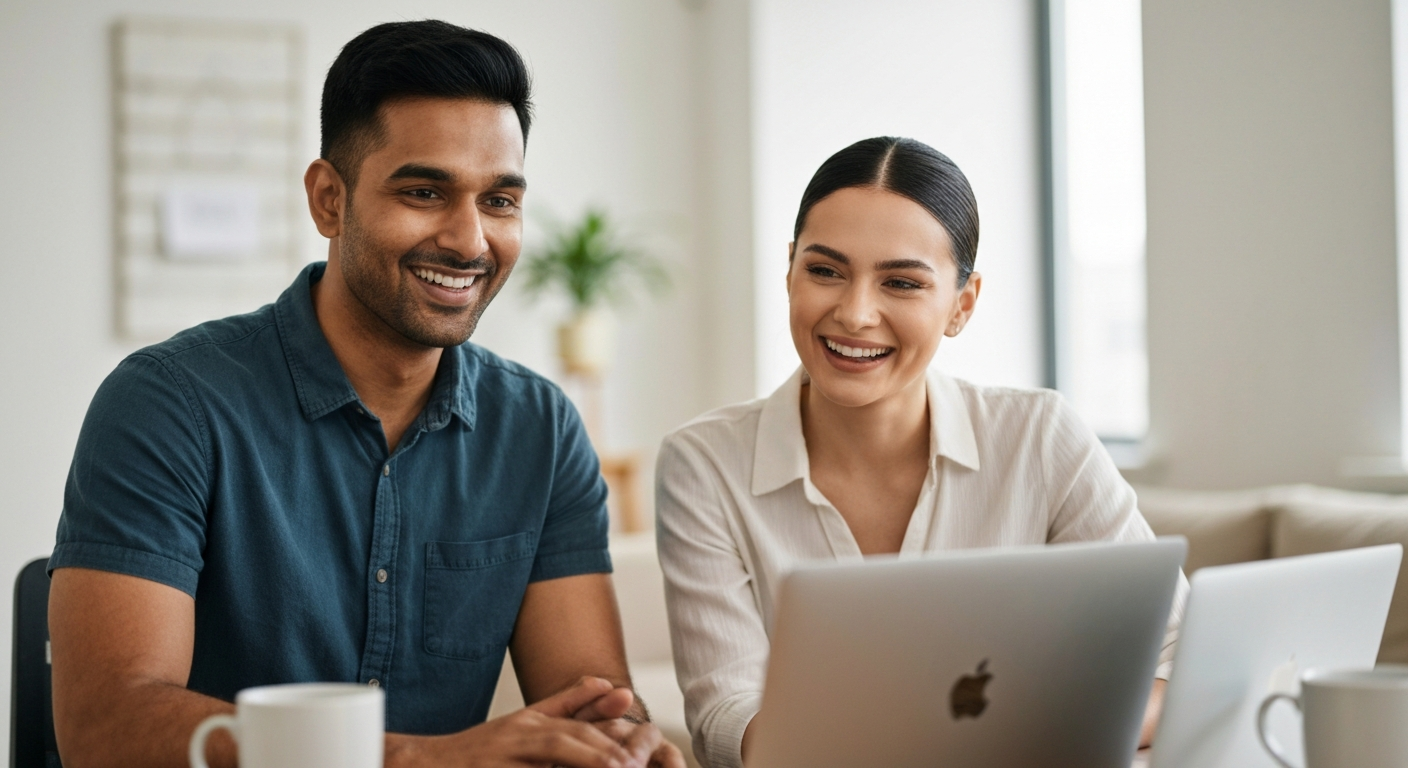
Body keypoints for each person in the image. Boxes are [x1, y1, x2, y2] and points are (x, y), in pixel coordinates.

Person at [48, 20, 683, 768]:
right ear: (329, 201)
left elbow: (592, 697)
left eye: (501, 201)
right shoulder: (168, 405)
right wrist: (421, 760)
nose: (470, 240)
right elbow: (106, 725)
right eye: (424, 191)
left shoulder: (539, 429)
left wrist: (624, 742)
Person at [655, 136, 1188, 768]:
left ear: (961, 304)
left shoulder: (1041, 437)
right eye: (824, 270)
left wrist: (1013, 738)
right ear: (790, 269)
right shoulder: (702, 464)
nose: (854, 314)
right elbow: (726, 719)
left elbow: (1178, 661)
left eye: (902, 283)